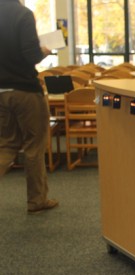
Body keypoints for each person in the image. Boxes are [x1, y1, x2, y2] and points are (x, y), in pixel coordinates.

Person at [0, 0, 58, 213]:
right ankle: (37, 200)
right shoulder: (22, 14)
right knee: (34, 145)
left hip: (1, 91)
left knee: (6, 144)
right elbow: (31, 55)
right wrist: (45, 49)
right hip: (25, 90)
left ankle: (38, 199)